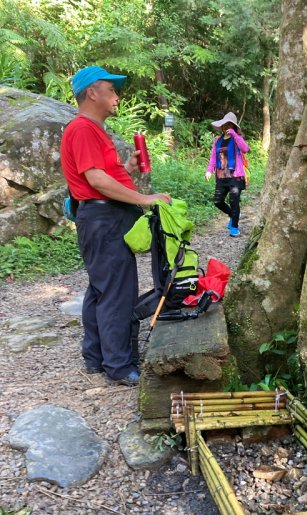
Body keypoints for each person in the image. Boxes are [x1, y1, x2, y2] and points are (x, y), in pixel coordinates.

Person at [60, 65, 171, 386]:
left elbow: (99, 176)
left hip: (102, 216)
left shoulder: (93, 130)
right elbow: (95, 180)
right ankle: (120, 366)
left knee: (101, 290)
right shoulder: (82, 128)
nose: (117, 96)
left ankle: (95, 358)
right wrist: (144, 198)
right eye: (111, 89)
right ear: (92, 93)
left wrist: (126, 168)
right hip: (103, 218)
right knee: (117, 294)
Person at [205, 112, 249, 237]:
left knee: (234, 201)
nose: (227, 126)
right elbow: (213, 157)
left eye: (229, 124)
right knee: (217, 201)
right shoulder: (217, 141)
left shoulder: (236, 139)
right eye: (225, 124)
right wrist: (209, 170)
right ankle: (232, 214)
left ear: (233, 126)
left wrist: (235, 135)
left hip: (235, 175)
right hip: (221, 176)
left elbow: (245, 149)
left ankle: (234, 227)